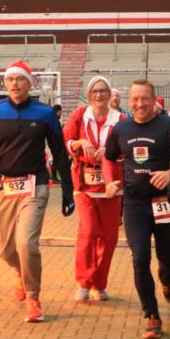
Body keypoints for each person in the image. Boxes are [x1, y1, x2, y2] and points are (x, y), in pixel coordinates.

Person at [0, 61, 75, 323]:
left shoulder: (45, 113)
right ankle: (20, 272)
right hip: (4, 187)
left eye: (20, 79)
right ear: (5, 84)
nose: (15, 84)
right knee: (7, 250)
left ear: (30, 83)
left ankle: (33, 297)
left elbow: (60, 154)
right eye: (10, 79)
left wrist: (68, 192)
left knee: (26, 244)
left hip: (35, 185)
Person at [103, 80, 170, 338]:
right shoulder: (121, 128)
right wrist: (109, 181)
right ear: (130, 100)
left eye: (144, 98)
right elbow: (108, 158)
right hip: (134, 205)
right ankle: (151, 315)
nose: (140, 104)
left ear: (154, 99)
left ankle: (167, 279)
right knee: (139, 259)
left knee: (166, 259)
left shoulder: (169, 126)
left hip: (165, 202)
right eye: (135, 99)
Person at [62, 76, 124, 302]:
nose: (99, 95)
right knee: (88, 231)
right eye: (95, 91)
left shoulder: (121, 120)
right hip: (84, 185)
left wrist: (111, 151)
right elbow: (66, 140)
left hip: (111, 187)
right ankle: (84, 282)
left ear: (110, 94)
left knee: (109, 237)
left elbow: (128, 147)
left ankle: (99, 283)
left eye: (103, 90)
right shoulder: (80, 115)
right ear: (89, 95)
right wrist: (79, 143)